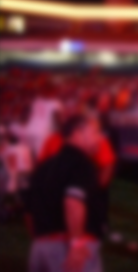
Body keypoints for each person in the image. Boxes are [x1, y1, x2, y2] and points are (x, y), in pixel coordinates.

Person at [25, 115, 104, 272]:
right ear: (77, 133)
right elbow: (73, 201)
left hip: (39, 248)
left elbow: (28, 213)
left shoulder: (44, 167)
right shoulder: (82, 164)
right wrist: (76, 243)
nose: (99, 138)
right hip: (68, 250)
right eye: (94, 132)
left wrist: (42, 243)